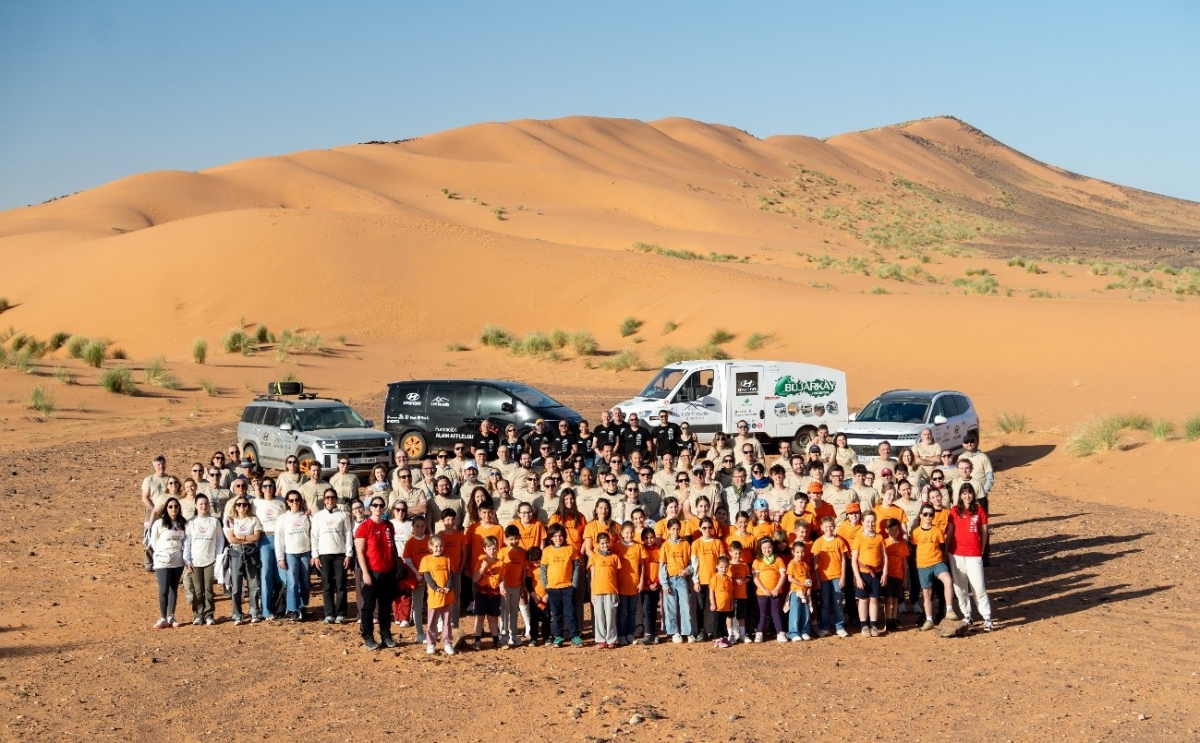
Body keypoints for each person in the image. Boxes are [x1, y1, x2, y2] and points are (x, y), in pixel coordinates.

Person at [946, 484, 993, 631]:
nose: (967, 496)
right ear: (960, 495)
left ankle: (987, 617)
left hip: (973, 554)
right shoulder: (954, 510)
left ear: (973, 494)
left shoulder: (979, 510)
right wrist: (945, 551)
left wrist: (982, 550)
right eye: (964, 493)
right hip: (956, 553)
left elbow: (984, 532)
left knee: (978, 587)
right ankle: (967, 615)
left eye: (970, 493)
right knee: (960, 587)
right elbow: (950, 533)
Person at [355, 495, 399, 650]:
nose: (378, 508)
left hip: (388, 571)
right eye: (375, 505)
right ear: (370, 507)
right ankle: (368, 636)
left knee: (386, 606)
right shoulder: (364, 527)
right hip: (372, 571)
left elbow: (392, 548)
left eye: (381, 505)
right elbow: (360, 552)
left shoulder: (388, 525)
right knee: (368, 606)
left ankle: (386, 635)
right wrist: (365, 573)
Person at [911, 505, 958, 630]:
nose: (928, 516)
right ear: (921, 516)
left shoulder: (937, 531)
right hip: (923, 565)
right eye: (925, 514)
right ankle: (929, 619)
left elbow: (942, 547)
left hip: (937, 562)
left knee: (948, 580)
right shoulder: (916, 533)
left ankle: (949, 609)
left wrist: (943, 559)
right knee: (927, 593)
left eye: (931, 514)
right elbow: (914, 550)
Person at [311, 489, 354, 624]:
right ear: (324, 500)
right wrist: (315, 555)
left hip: (340, 554)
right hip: (324, 555)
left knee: (341, 585)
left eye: (333, 497)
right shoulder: (318, 516)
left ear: (336, 499)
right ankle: (329, 614)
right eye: (328, 497)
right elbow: (314, 536)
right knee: (327, 585)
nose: (330, 500)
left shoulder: (343, 515)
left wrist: (348, 554)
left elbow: (348, 534)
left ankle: (341, 613)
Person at [183, 494, 224, 626]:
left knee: (208, 589)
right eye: (201, 504)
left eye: (206, 503)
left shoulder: (214, 522)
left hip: (210, 561)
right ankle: (198, 615)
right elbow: (187, 542)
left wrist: (218, 558)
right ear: (196, 506)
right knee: (198, 590)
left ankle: (209, 615)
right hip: (195, 561)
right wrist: (187, 560)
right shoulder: (191, 522)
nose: (204, 506)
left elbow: (220, 540)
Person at [541, 523, 582, 647]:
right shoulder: (547, 551)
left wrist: (574, 584)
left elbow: (576, 567)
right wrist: (546, 586)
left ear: (564, 536)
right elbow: (543, 569)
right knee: (556, 614)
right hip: (553, 588)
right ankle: (558, 636)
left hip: (567, 587)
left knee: (570, 613)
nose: (558, 538)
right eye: (555, 536)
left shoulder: (570, 549)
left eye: (560, 536)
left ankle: (575, 636)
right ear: (551, 538)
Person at [251, 476, 286, 621]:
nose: (268, 488)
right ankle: (266, 610)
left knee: (282, 575)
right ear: (261, 488)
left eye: (270, 485)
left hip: (280, 538)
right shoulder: (255, 503)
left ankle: (283, 608)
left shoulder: (281, 501)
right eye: (265, 486)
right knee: (265, 575)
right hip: (264, 539)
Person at [275, 489, 313, 621]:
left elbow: (313, 533)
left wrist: (314, 554)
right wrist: (280, 558)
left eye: (297, 500)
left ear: (301, 501)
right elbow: (279, 539)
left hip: (305, 552)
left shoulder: (306, 516)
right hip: (290, 553)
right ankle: (293, 609)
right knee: (292, 583)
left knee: (305, 582)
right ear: (287, 502)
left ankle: (303, 606)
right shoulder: (283, 518)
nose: (294, 502)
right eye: (291, 500)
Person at [224, 495, 262, 624]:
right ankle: (237, 614)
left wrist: (241, 537)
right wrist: (246, 539)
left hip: (251, 552)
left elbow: (256, 537)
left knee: (253, 584)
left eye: (244, 504)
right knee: (236, 585)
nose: (242, 507)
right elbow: (231, 539)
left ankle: (254, 611)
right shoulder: (231, 520)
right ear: (235, 507)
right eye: (239, 504)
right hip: (236, 553)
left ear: (248, 506)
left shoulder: (254, 520)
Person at [150, 497, 187, 628]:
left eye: (176, 506)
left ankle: (171, 616)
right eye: (170, 506)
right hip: (162, 560)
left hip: (177, 560)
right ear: (166, 508)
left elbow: (185, 540)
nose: (173, 509)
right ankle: (162, 617)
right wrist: (160, 553)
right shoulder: (160, 523)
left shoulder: (182, 523)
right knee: (163, 589)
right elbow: (153, 540)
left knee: (173, 588)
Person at [852, 512, 888, 637]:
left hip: (876, 574)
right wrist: (857, 577)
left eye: (872, 521)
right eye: (867, 521)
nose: (870, 524)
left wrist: (884, 573)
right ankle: (864, 625)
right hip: (863, 574)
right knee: (863, 600)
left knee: (874, 599)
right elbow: (854, 560)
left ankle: (873, 625)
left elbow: (884, 556)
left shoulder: (879, 538)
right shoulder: (859, 538)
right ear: (862, 522)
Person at [419, 534, 456, 655]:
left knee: (447, 622)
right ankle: (431, 643)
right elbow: (427, 576)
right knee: (432, 622)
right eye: (436, 546)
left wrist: (448, 587)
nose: (438, 548)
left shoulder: (448, 558)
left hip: (447, 596)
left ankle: (447, 643)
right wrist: (436, 588)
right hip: (435, 596)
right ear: (430, 547)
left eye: (440, 546)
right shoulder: (426, 560)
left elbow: (451, 575)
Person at [659, 518, 693, 643]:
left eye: (678, 529)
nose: (675, 531)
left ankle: (687, 632)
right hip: (670, 579)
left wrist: (687, 571)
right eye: (673, 529)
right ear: (668, 530)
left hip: (681, 579)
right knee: (670, 607)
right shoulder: (665, 545)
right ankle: (674, 632)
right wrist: (664, 583)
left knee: (685, 606)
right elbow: (662, 565)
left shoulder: (685, 544)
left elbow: (692, 563)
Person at [612, 521, 644, 646]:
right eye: (627, 532)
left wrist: (641, 581)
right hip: (621, 585)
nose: (629, 535)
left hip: (634, 584)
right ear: (621, 533)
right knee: (622, 612)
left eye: (631, 532)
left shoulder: (638, 546)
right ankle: (621, 635)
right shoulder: (617, 546)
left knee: (632, 611)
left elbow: (642, 565)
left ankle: (630, 634)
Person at [401, 515, 432, 642]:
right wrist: (419, 576)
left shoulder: (430, 539)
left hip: (431, 578)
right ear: (413, 527)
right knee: (418, 606)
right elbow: (408, 561)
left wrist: (430, 576)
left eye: (422, 526)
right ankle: (420, 633)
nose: (420, 529)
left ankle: (434, 631)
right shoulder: (410, 542)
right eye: (417, 526)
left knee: (434, 605)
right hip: (417, 578)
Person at [470, 535, 503, 650]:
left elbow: (502, 578)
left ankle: (496, 640)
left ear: (497, 548)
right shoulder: (481, 561)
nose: (492, 551)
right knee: (479, 617)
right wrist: (481, 569)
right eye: (489, 549)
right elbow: (475, 579)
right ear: (484, 549)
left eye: (494, 548)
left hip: (494, 593)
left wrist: (502, 587)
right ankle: (477, 640)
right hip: (482, 592)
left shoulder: (500, 563)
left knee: (493, 618)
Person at [496, 525, 526, 648]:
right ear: (506, 539)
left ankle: (513, 635)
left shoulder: (523, 552)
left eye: (516, 538)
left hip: (517, 586)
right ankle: (503, 636)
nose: (514, 541)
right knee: (504, 611)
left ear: (519, 537)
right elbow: (498, 569)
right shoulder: (502, 552)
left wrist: (523, 584)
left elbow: (524, 569)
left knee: (514, 610)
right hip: (505, 586)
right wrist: (500, 585)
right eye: (511, 539)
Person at [751, 537, 786, 643]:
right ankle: (759, 633)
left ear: (773, 547)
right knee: (763, 613)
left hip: (776, 592)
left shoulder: (778, 560)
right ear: (761, 549)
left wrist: (777, 588)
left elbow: (783, 575)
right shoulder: (757, 561)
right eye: (764, 548)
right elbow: (755, 578)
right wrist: (764, 590)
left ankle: (780, 633)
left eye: (769, 547)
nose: (767, 550)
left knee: (776, 613)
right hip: (762, 593)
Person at [588, 532, 620, 648]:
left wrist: (617, 592)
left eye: (607, 543)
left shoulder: (614, 557)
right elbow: (592, 576)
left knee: (610, 615)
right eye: (602, 543)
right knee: (599, 615)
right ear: (597, 544)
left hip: (611, 590)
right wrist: (592, 593)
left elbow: (616, 576)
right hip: (598, 590)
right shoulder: (594, 557)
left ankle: (611, 639)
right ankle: (600, 639)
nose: (605, 545)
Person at [882, 519, 910, 633]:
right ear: (886, 530)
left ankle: (893, 620)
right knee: (888, 599)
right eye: (892, 530)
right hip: (888, 575)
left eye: (896, 530)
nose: (894, 532)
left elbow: (904, 562)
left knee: (895, 599)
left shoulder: (902, 545)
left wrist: (905, 578)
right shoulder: (884, 543)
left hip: (899, 576)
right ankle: (888, 621)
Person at [785, 539, 813, 641]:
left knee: (805, 612)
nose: (800, 554)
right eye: (797, 552)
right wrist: (802, 584)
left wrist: (809, 588)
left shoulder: (805, 564)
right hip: (795, 592)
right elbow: (790, 578)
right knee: (795, 612)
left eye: (802, 552)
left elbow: (809, 577)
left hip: (805, 593)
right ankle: (793, 633)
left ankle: (804, 631)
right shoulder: (792, 564)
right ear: (793, 552)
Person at [639, 527, 661, 644]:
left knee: (653, 609)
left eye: (651, 537)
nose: (649, 540)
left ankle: (653, 632)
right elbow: (641, 568)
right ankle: (647, 632)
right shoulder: (642, 550)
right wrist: (648, 582)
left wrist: (657, 582)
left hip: (656, 585)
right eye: (646, 538)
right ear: (642, 539)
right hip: (646, 586)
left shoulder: (659, 550)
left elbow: (661, 568)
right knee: (646, 609)